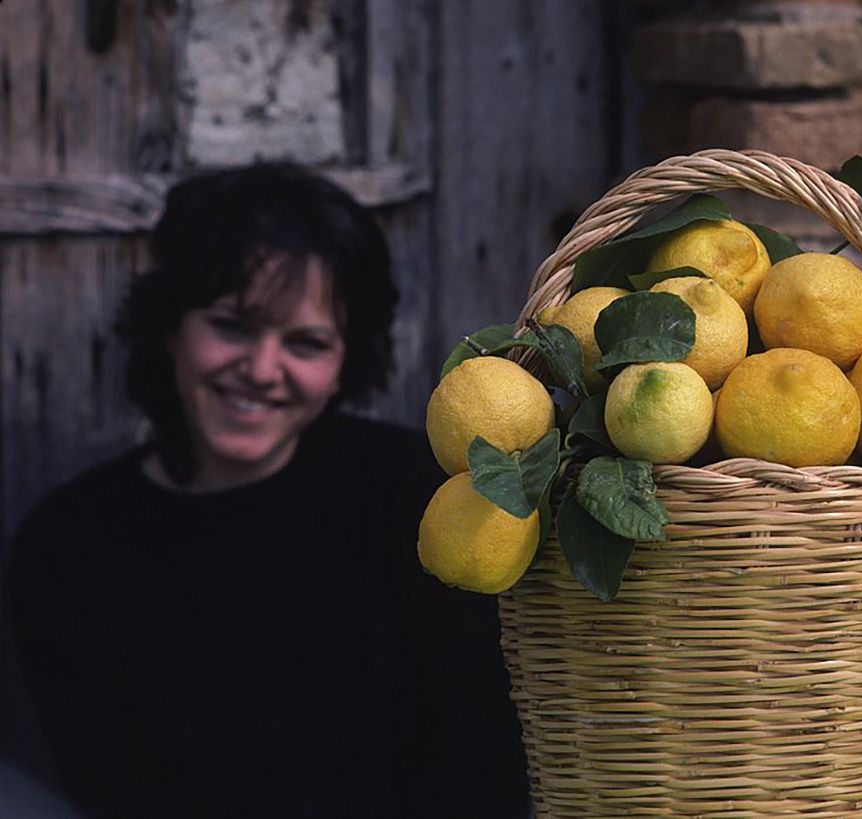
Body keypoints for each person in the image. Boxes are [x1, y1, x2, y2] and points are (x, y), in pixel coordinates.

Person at [2, 163, 530, 818]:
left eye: (305, 341)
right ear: (171, 325)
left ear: (346, 361)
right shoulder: (70, 547)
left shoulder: (419, 504)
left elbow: (482, 762)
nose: (260, 370)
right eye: (231, 325)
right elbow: (110, 791)